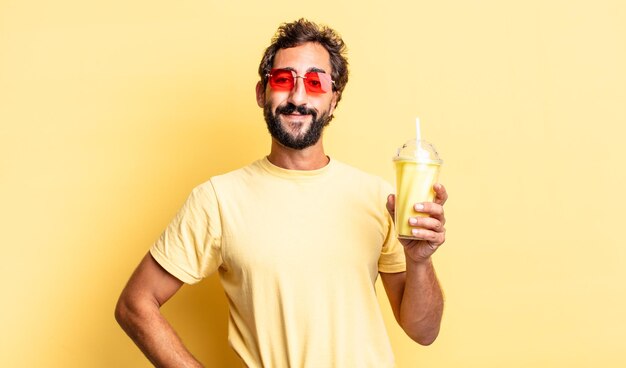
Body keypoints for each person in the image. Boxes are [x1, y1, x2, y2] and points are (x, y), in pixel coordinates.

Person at [115, 18, 448, 368]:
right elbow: (134, 304)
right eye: (283, 80)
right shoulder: (218, 200)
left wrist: (419, 260)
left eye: (316, 83)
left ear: (334, 100)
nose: (297, 97)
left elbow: (423, 331)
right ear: (262, 92)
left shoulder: (380, 199)